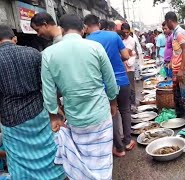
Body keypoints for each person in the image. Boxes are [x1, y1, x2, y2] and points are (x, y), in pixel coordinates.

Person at [41, 14, 119, 179]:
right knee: (103, 162)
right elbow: (110, 81)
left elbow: (48, 91)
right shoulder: (96, 47)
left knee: (83, 161)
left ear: (61, 30)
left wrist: (53, 116)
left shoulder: (48, 54)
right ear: (83, 29)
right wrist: (113, 103)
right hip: (100, 115)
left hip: (75, 118)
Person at [0, 25, 65, 179]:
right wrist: (54, 110)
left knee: (19, 158)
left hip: (11, 118)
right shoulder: (33, 53)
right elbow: (47, 86)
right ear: (14, 39)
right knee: (48, 148)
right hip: (38, 111)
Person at [84, 14, 136, 157]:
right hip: (121, 80)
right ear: (99, 25)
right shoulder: (114, 36)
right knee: (125, 110)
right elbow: (126, 56)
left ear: (85, 27)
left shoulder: (86, 41)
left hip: (103, 84)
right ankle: (127, 141)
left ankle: (119, 148)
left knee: (111, 113)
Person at [165, 11, 185, 119]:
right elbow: (177, 52)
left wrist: (181, 69)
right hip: (179, 68)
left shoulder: (179, 33)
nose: (166, 25)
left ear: (170, 21)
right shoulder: (176, 32)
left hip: (183, 69)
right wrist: (172, 63)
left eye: (166, 23)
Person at [121, 23, 137, 110]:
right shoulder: (121, 39)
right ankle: (128, 104)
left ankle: (133, 104)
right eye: (124, 32)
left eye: (127, 32)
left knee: (131, 86)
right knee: (125, 86)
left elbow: (127, 53)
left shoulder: (131, 40)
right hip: (123, 66)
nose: (126, 34)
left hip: (129, 66)